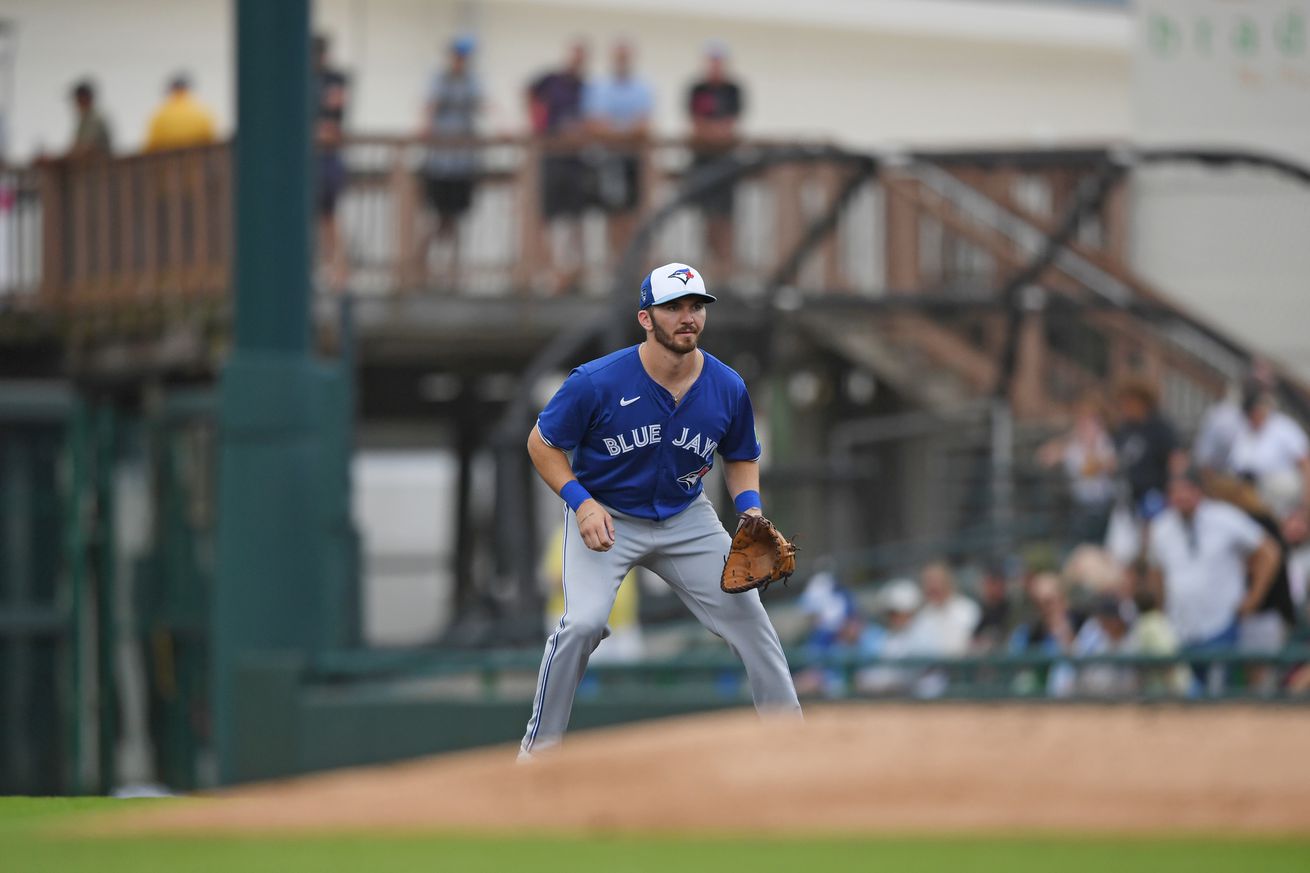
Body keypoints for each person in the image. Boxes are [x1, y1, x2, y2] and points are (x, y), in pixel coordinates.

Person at [519, 262, 800, 757]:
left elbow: (741, 455)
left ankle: (793, 743)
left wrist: (751, 511)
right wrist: (580, 503)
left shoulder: (726, 386)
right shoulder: (597, 381)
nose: (687, 317)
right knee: (581, 624)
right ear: (646, 318)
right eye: (673, 307)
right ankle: (538, 755)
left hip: (685, 516)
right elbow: (542, 445)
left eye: (696, 307)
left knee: (751, 620)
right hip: (606, 515)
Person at [1147, 466, 1281, 694]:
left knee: (1217, 697)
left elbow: (1269, 552)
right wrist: (1163, 609)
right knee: (1189, 698)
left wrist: (1253, 598)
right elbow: (1157, 572)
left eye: (1186, 490)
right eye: (1175, 492)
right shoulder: (1161, 528)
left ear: (1198, 491)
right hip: (1182, 629)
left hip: (1220, 624)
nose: (1181, 497)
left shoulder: (1224, 518)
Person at [419, 34, 483, 288]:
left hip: (463, 163)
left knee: (456, 218)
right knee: (439, 217)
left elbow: (483, 106)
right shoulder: (439, 80)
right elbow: (429, 110)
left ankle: (453, 269)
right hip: (440, 162)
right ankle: (421, 263)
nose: (460, 60)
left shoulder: (472, 82)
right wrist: (424, 129)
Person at [527, 41, 589, 293]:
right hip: (551, 155)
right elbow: (530, 95)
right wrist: (539, 127)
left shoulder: (586, 87)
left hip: (576, 159)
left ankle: (573, 272)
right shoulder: (549, 80)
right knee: (546, 215)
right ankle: (551, 270)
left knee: (575, 217)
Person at [583, 40, 653, 263]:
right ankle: (616, 264)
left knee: (634, 214)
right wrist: (626, 132)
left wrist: (615, 131)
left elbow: (643, 126)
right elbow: (595, 125)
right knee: (613, 214)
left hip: (634, 161)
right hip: (609, 160)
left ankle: (632, 264)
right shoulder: (600, 88)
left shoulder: (642, 88)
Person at [686, 41, 744, 278]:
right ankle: (709, 265)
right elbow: (696, 124)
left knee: (726, 216)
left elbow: (731, 125)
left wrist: (715, 133)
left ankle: (725, 266)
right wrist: (713, 133)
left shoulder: (733, 90)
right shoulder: (696, 89)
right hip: (702, 160)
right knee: (706, 215)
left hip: (726, 161)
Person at [1037, 392, 1117, 548]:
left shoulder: (1103, 441)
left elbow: (1105, 465)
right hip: (1079, 507)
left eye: (1090, 420)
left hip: (1102, 506)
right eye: (1082, 420)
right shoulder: (1072, 445)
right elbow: (1046, 457)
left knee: (1098, 548)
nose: (1084, 424)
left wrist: (1091, 446)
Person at [1227, 381, 1310, 522]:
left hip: (1284, 500)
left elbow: (1305, 463)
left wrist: (1306, 503)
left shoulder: (1283, 427)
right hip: (1250, 501)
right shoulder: (1243, 433)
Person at [314, 35, 350, 292]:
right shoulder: (302, 81)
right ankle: (321, 269)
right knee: (312, 216)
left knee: (329, 217)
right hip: (311, 158)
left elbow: (335, 114)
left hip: (328, 157)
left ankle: (338, 271)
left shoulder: (335, 79)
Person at [905, 561, 980, 657]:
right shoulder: (921, 617)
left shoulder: (968, 609)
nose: (933, 586)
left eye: (936, 581)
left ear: (947, 581)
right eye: (928, 582)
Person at [143, 73, 216, 153]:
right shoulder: (202, 112)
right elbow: (211, 139)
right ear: (188, 89)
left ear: (171, 90)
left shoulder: (160, 116)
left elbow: (150, 146)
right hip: (199, 162)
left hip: (168, 163)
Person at [66, 79, 112, 159]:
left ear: (86, 98)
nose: (76, 104)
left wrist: (67, 156)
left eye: (78, 99)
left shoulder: (95, 119)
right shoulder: (84, 120)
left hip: (99, 163)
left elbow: (87, 147)